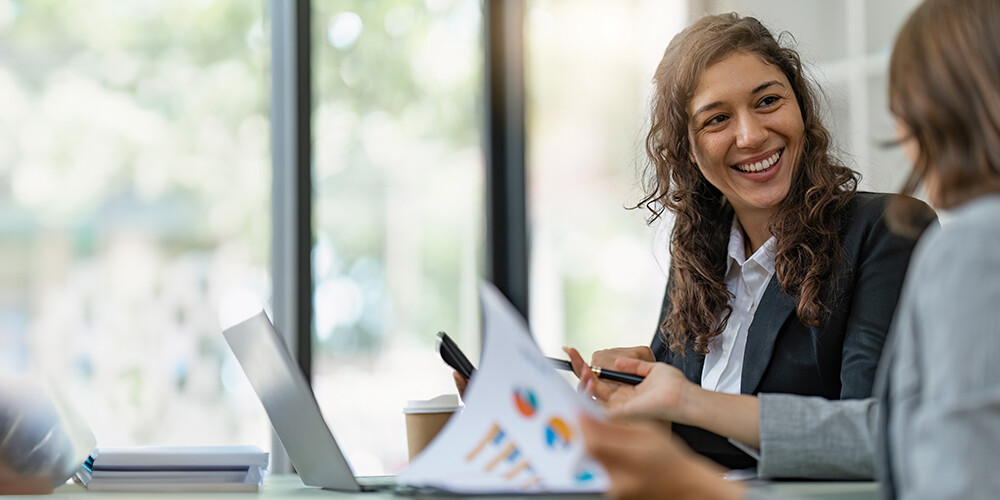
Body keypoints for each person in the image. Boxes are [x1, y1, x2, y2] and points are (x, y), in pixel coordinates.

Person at [580, 0, 1000, 497]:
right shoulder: (696, 254)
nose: (751, 134)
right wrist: (627, 399)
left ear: (801, 108)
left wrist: (684, 400)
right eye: (716, 119)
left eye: (767, 101)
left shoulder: (885, 231)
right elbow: (680, 440)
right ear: (686, 150)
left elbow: (879, 434)